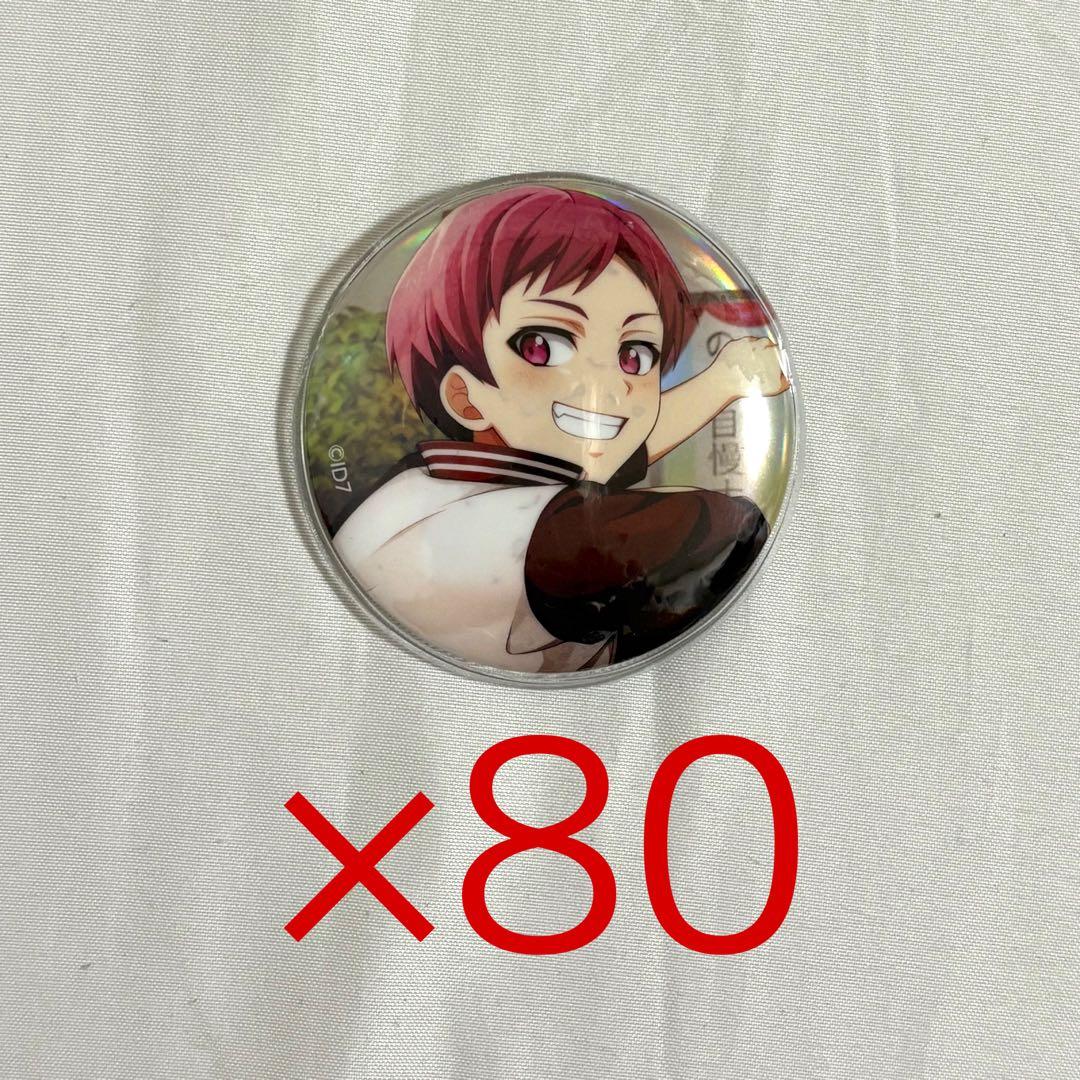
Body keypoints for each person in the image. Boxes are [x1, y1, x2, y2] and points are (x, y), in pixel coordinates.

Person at [332, 185, 790, 673]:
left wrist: (724, 382)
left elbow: (607, 444)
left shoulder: (430, 481)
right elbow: (727, 532)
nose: (605, 386)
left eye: (635, 356)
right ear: (465, 397)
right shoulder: (551, 532)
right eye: (542, 346)